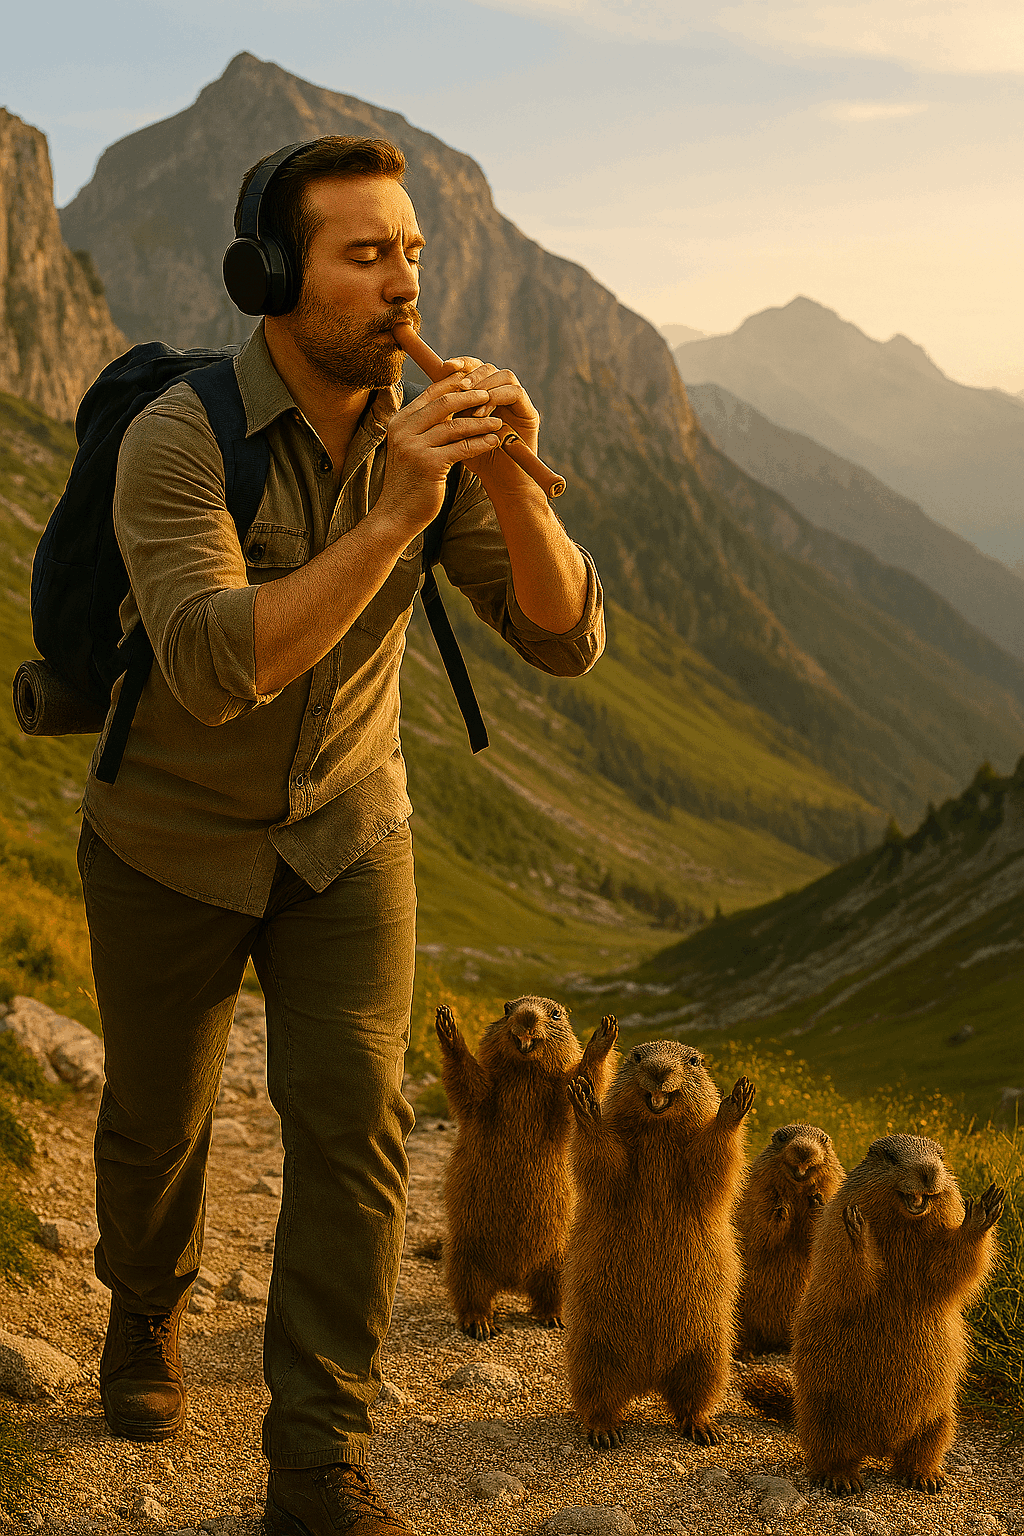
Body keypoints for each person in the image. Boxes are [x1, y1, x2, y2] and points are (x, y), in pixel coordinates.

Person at [78, 135, 604, 1536]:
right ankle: (143, 1306)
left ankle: (316, 1458)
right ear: (273, 276)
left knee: (358, 1126)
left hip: (348, 829)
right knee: (154, 1125)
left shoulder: (419, 436)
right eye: (365, 256)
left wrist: (504, 481)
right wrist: (393, 518)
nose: (403, 285)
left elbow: (567, 641)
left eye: (412, 253)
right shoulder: (180, 438)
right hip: (166, 840)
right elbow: (211, 663)